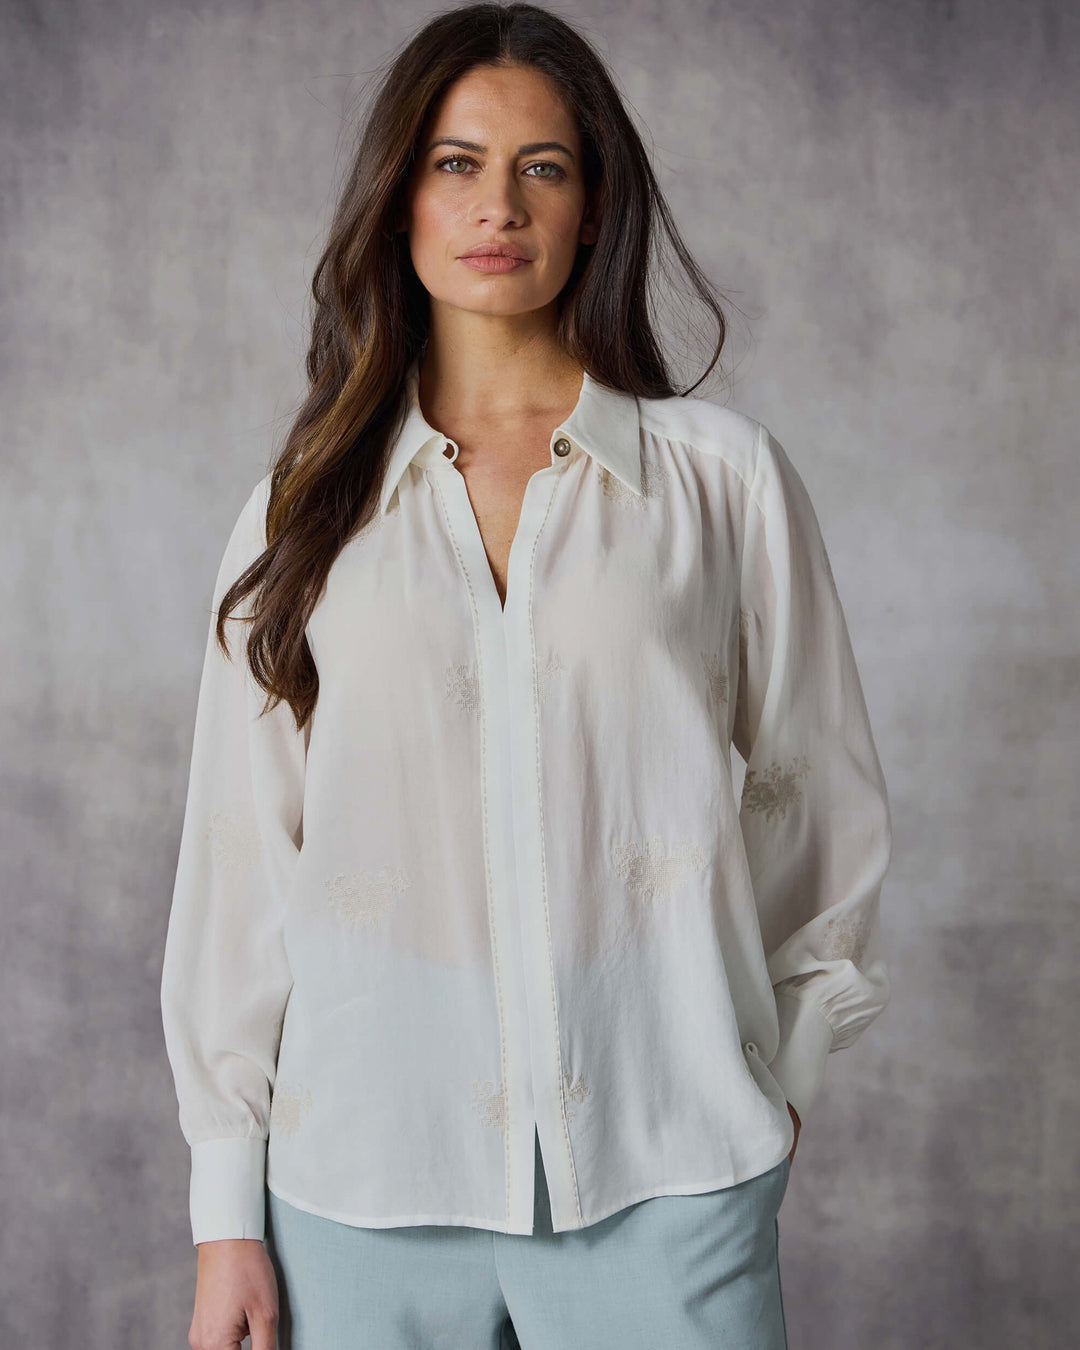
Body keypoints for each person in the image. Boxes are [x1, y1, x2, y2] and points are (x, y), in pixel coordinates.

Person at [160, 5, 893, 1348]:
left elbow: (816, 797)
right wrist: (226, 1216)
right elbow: (241, 859)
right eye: (456, 163)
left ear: (594, 207)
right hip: (358, 1190)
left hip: (670, 1175)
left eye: (542, 167)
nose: (498, 204)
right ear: (400, 196)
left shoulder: (721, 484)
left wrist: (777, 1074)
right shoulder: (302, 511)